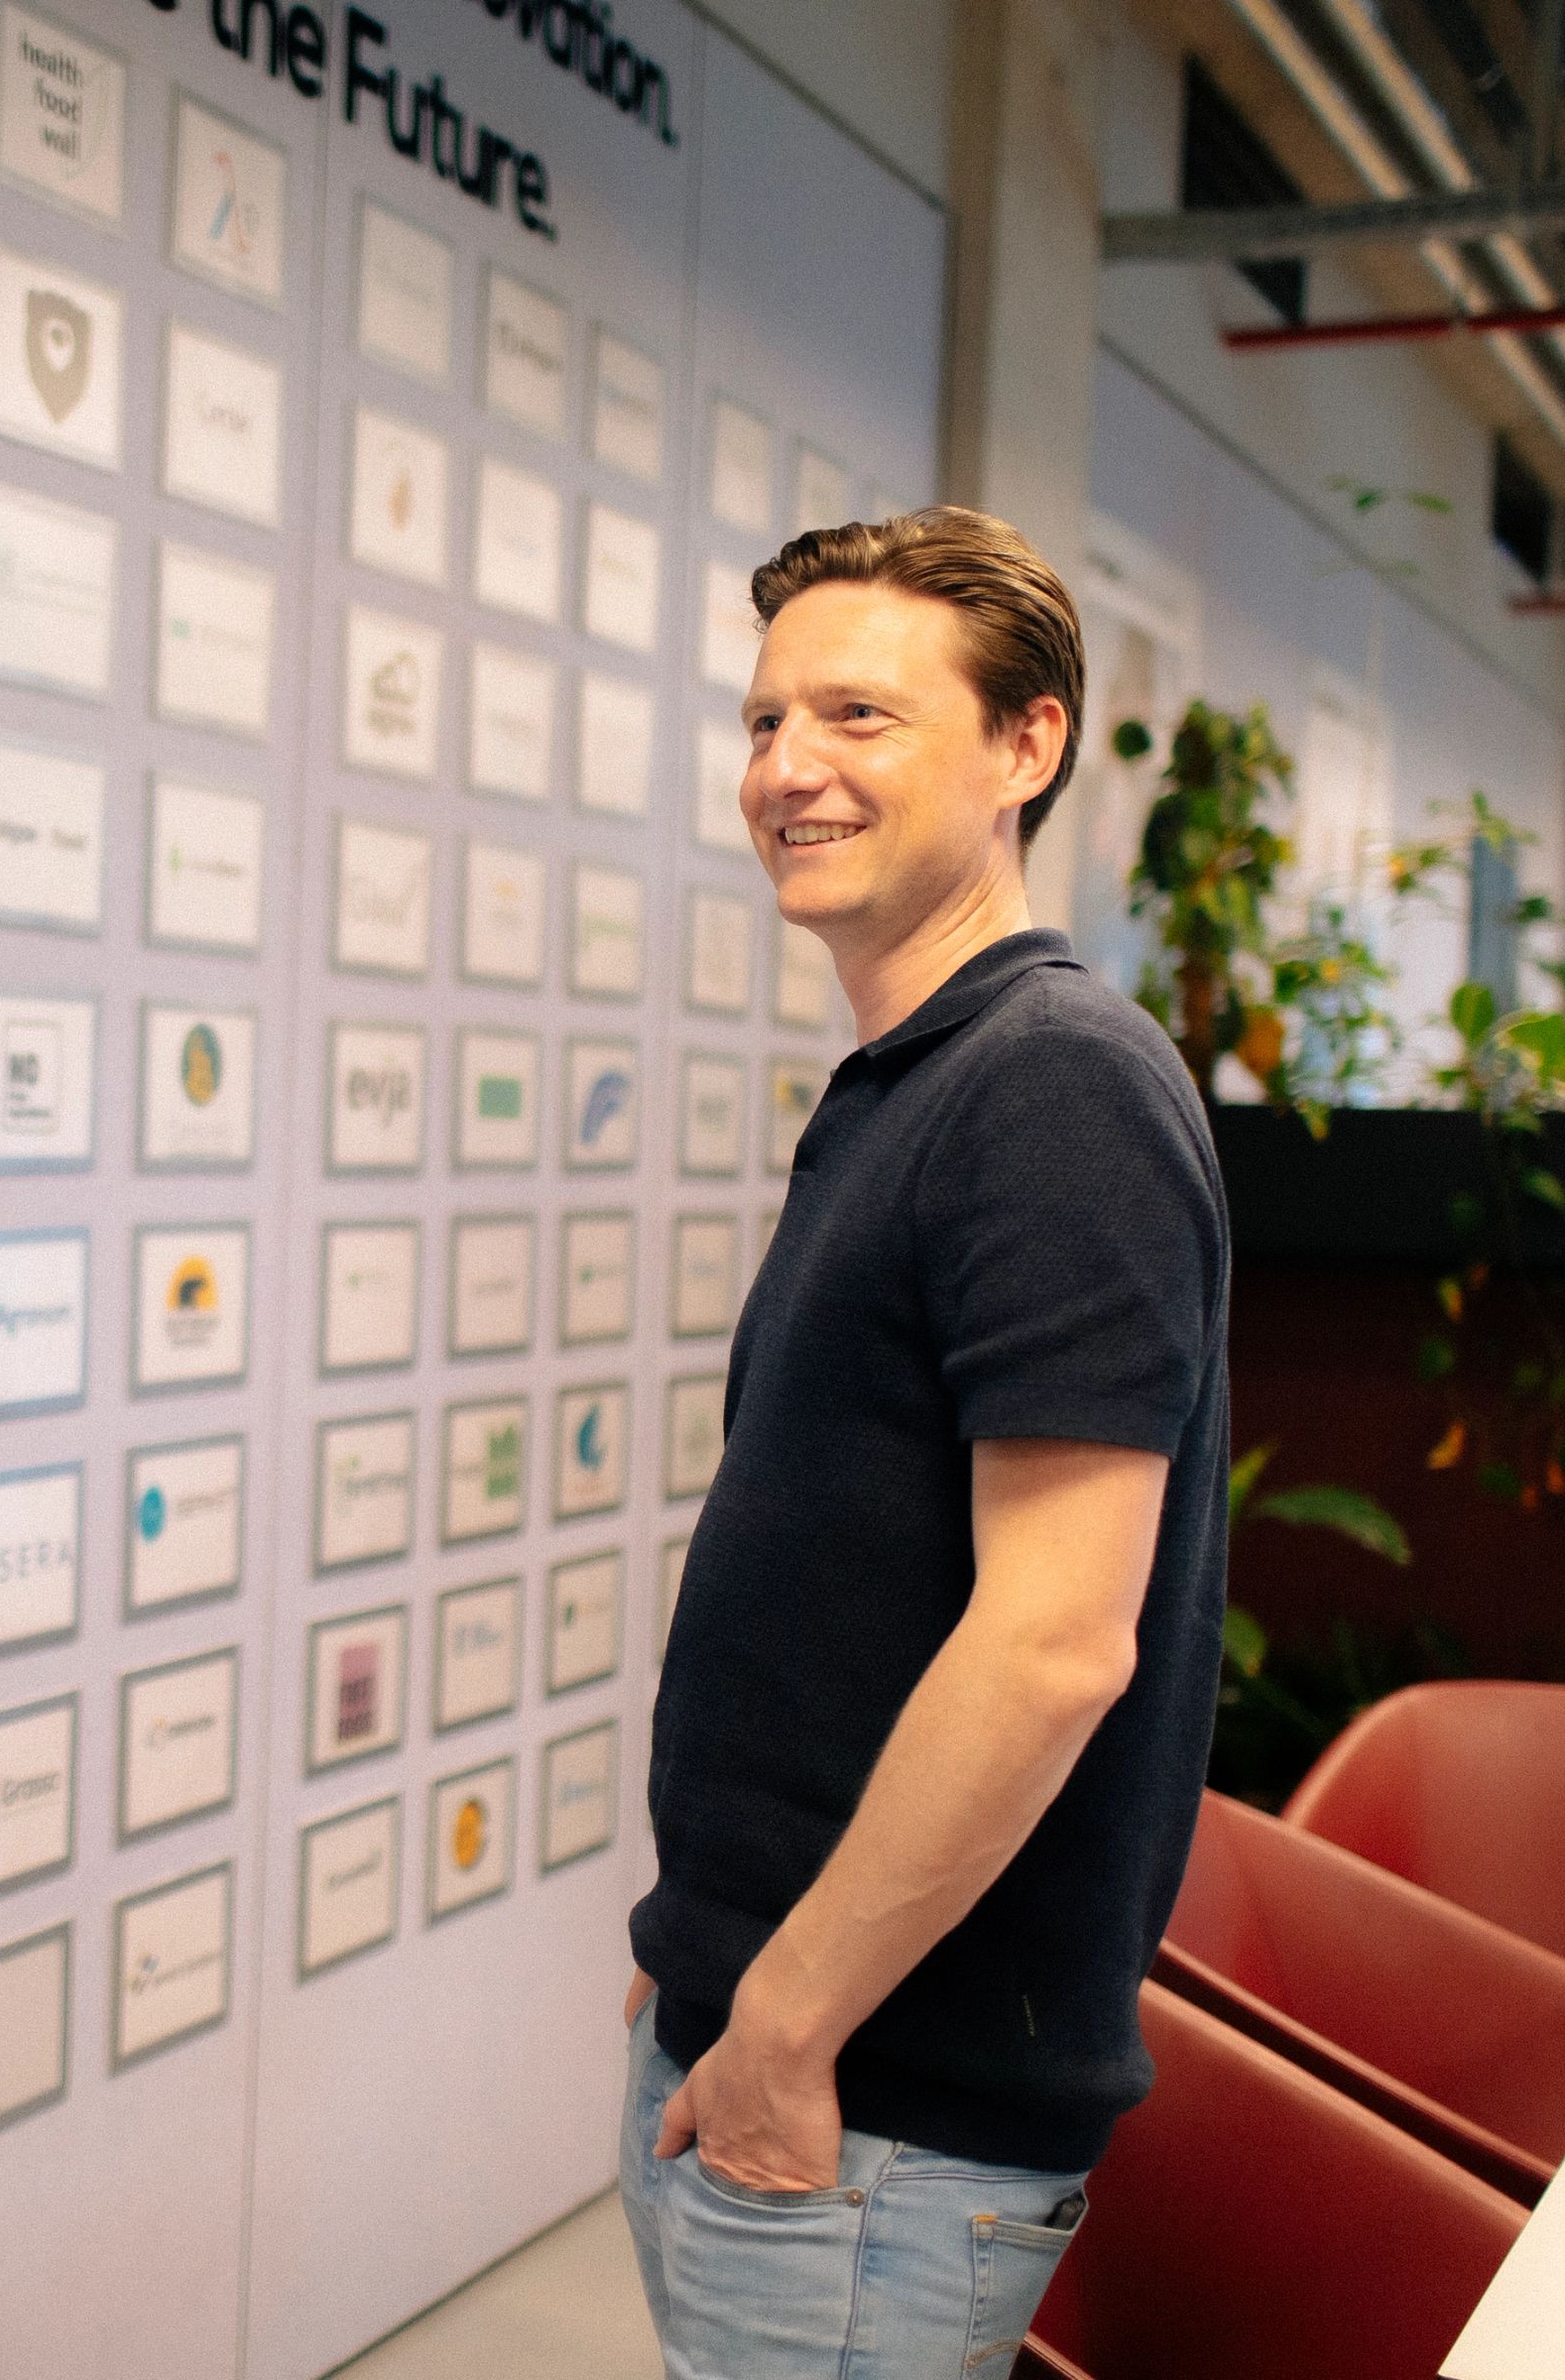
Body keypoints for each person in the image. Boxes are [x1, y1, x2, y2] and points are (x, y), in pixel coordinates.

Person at [620, 510, 1230, 2378]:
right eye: (765, 720)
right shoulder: (923, 1079)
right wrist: (709, 1948)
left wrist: (788, 2023)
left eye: (860, 715)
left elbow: (1054, 1642)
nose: (786, 768)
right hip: (790, 2055)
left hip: (872, 2115)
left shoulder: (1051, 1088)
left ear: (1028, 744)